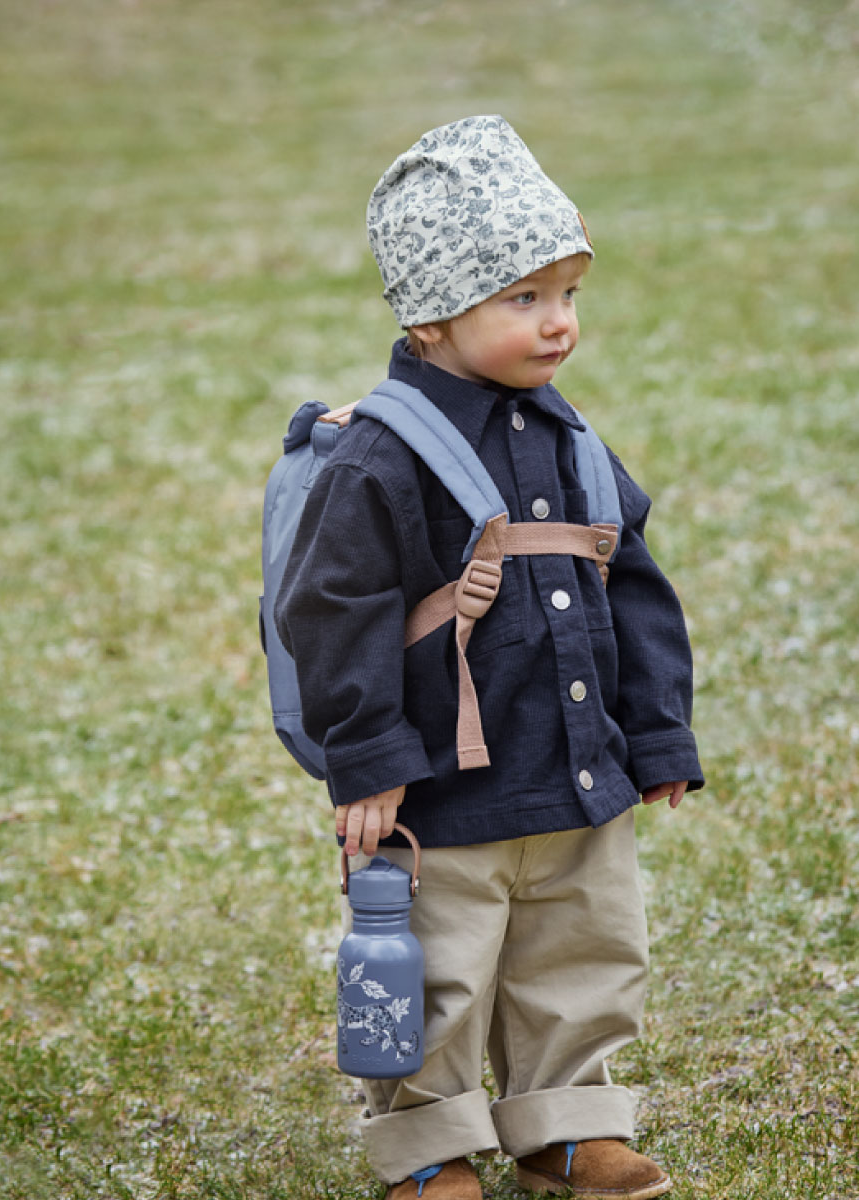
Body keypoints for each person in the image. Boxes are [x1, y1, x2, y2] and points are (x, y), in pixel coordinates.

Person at [275, 114, 703, 1200]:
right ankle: (426, 1148)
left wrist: (654, 731)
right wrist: (366, 753)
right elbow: (332, 607)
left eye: (567, 294)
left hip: (573, 767)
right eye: (524, 299)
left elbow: (636, 583)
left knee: (585, 952)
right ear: (430, 314)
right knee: (442, 973)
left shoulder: (569, 438)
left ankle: (566, 1122)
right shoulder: (382, 454)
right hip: (444, 788)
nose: (558, 324)